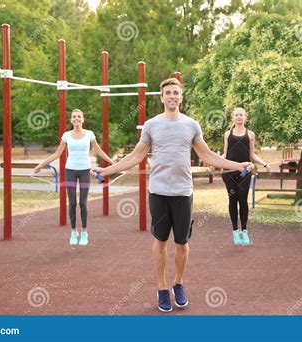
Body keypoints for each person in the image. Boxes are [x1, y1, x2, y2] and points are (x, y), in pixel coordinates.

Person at [92, 78, 254, 313]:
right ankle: (161, 288)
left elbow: (208, 156)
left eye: (176, 93)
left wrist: (238, 165)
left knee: (182, 244)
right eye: (168, 93)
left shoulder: (192, 125)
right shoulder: (151, 125)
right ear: (161, 97)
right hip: (158, 192)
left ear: (181, 97)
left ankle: (178, 283)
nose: (172, 96)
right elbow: (135, 157)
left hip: (182, 193)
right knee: (160, 242)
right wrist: (105, 170)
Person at [33, 108, 114, 246]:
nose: (76, 118)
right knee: (72, 202)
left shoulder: (89, 134)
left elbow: (99, 151)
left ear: (83, 119)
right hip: (70, 170)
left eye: (79, 116)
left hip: (85, 171)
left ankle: (84, 232)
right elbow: (56, 154)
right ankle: (73, 231)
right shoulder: (66, 135)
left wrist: (115, 164)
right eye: (74, 117)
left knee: (82, 202)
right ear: (71, 120)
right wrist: (40, 165)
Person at [221, 107, 272, 246]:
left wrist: (265, 164)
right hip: (229, 172)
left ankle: (244, 230)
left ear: (245, 117)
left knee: (243, 200)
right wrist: (214, 162)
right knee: (233, 200)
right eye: (236, 115)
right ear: (232, 117)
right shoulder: (227, 134)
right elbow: (225, 154)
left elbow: (252, 155)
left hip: (244, 172)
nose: (239, 117)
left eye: (241, 115)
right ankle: (235, 231)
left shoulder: (250, 134)